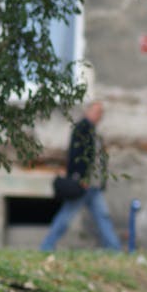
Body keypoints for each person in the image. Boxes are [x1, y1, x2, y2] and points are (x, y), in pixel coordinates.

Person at [40, 100, 122, 252]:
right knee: (66, 216)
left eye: (101, 113)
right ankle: (47, 246)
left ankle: (114, 248)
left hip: (94, 185)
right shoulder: (82, 129)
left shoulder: (93, 132)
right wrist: (79, 176)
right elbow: (75, 155)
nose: (99, 115)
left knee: (102, 216)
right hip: (84, 183)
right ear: (88, 111)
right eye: (96, 111)